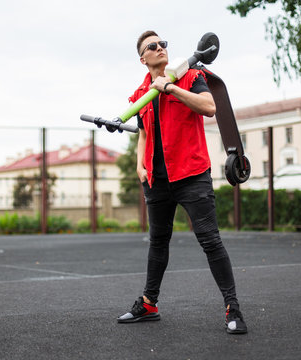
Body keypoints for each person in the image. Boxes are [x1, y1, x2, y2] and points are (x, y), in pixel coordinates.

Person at [116, 30, 247, 334]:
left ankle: (233, 307)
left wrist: (171, 88)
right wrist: (140, 164)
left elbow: (209, 107)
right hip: (157, 180)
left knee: (210, 240)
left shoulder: (190, 76)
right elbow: (144, 132)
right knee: (158, 242)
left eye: (163, 44)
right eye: (153, 46)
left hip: (191, 174)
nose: (160, 48)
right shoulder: (140, 94)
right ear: (143, 58)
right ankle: (149, 304)